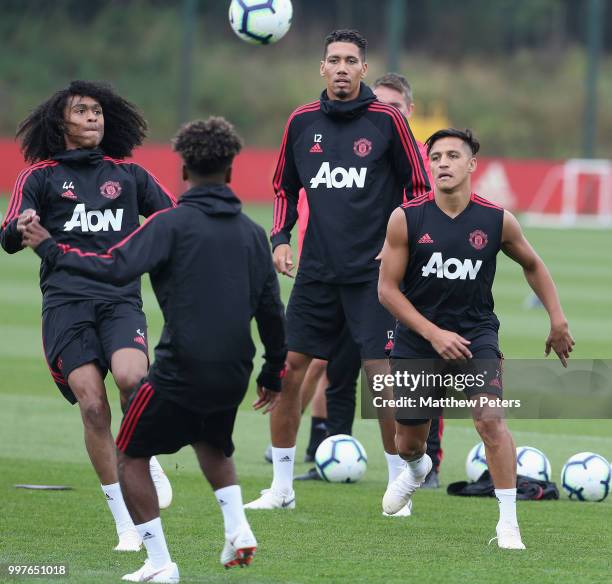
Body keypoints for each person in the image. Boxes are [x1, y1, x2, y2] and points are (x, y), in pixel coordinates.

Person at [23, 116, 287, 581]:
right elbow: (271, 312)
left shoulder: (170, 225)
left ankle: (160, 564)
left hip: (180, 369)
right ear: (231, 171)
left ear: (183, 169)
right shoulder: (251, 233)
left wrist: (50, 248)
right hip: (235, 372)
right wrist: (272, 373)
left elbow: (112, 267)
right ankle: (237, 526)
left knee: (128, 455)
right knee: (211, 442)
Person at [245, 29, 429, 511]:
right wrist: (281, 239)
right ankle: (281, 490)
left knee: (383, 379)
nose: (342, 67)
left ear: (364, 70)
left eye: (351, 60)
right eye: (334, 60)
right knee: (290, 372)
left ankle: (399, 489)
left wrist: (399, 247)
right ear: (322, 68)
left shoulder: (388, 120)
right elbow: (284, 186)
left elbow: (419, 188)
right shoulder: (302, 121)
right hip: (317, 273)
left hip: (375, 278)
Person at [377, 128, 574, 548]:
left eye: (452, 155)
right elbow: (387, 290)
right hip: (416, 339)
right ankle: (415, 471)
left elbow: (533, 264)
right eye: (436, 157)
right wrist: (432, 333)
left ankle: (508, 524)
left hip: (476, 336)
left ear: (471, 165)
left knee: (490, 420)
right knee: (408, 441)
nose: (443, 163)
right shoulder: (406, 217)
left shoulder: (496, 218)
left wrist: (557, 319)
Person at [0, 81, 175, 552]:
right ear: (62, 123)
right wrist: (20, 228)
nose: (93, 117)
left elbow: (173, 219)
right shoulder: (40, 177)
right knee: (93, 405)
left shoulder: (130, 175)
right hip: (66, 305)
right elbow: (9, 233)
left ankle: (144, 451)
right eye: (82, 111)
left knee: (133, 381)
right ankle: (125, 523)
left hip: (120, 301)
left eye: (98, 110)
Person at [295, 72, 445, 492]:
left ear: (409, 112)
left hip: (409, 281)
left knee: (413, 372)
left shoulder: (423, 158)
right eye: (379, 103)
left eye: (395, 107)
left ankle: (425, 462)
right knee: (338, 368)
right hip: (348, 272)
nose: (384, 113)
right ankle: (329, 452)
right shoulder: (349, 147)